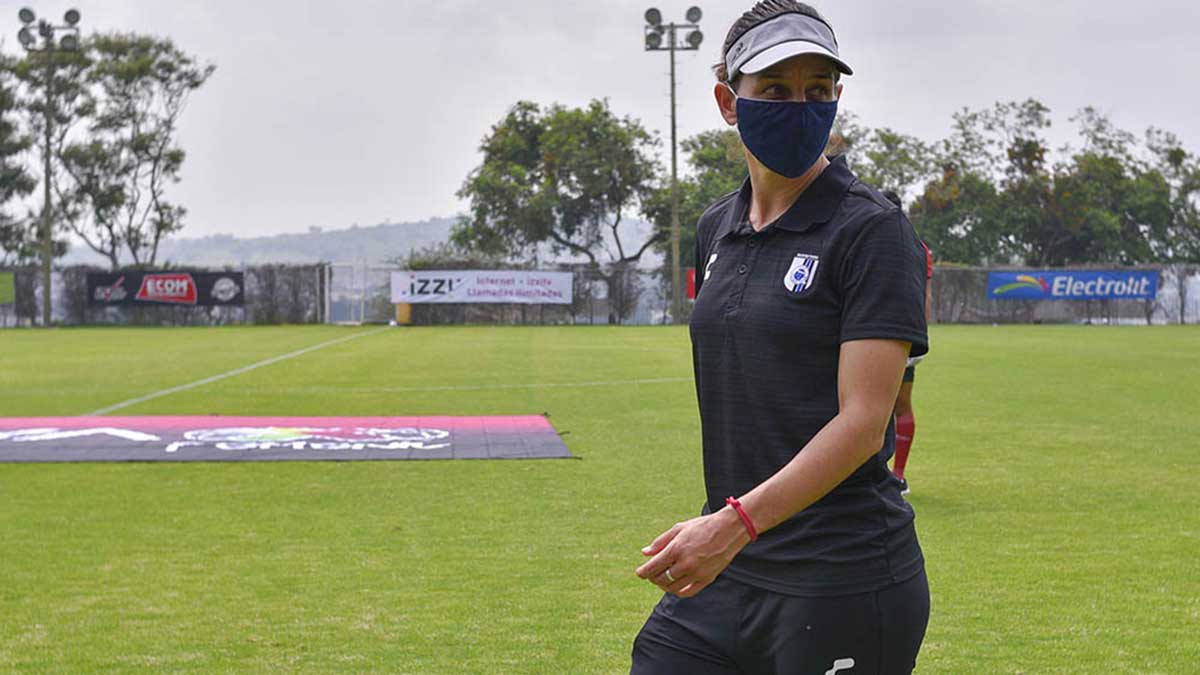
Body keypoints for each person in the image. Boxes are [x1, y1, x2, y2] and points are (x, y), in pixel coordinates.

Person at [630, 2, 931, 673]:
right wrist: (728, 528)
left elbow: (861, 423)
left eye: (817, 91)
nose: (800, 106)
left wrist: (734, 521)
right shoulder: (716, 228)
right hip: (731, 567)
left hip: (843, 575)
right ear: (728, 102)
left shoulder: (871, 230)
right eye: (774, 90)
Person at [881, 190, 934, 496]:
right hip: (906, 334)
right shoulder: (919, 247)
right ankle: (897, 475)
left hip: (885, 333)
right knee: (898, 405)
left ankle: (893, 475)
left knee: (870, 404)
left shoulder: (882, 241)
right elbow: (926, 295)